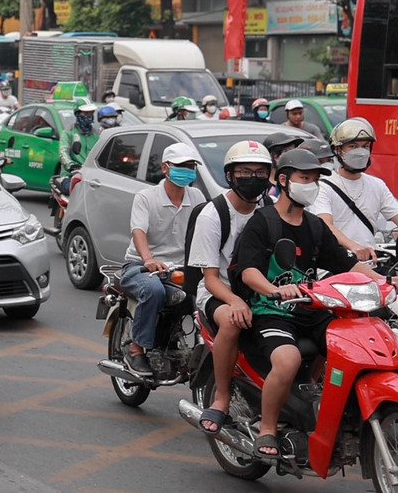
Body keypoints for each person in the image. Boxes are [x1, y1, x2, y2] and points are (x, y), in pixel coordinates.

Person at [231, 148, 390, 458]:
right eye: (305, 178)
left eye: (315, 180)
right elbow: (248, 271)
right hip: (271, 311)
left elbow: (348, 265)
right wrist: (275, 290)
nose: (312, 185)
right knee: (288, 359)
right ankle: (267, 427)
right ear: (283, 180)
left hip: (310, 308)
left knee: (357, 345)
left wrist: (384, 283)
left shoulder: (315, 225)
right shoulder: (263, 222)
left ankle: (319, 402)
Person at [190, 141, 274, 434]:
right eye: (245, 172)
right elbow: (210, 277)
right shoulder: (213, 215)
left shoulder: (270, 210)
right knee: (231, 321)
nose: (253, 178)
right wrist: (235, 302)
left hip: (263, 292)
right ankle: (222, 396)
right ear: (230, 175)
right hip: (219, 292)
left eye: (261, 172)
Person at [119, 143, 206, 376]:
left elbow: (206, 231)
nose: (187, 170)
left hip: (180, 269)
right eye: (182, 166)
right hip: (141, 267)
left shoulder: (197, 196)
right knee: (154, 291)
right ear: (166, 168)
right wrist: (148, 259)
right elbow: (138, 231)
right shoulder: (146, 197)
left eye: (191, 166)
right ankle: (137, 349)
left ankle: (178, 341)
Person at [309, 118, 398, 263]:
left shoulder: (377, 185)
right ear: (338, 150)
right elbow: (325, 224)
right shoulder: (323, 186)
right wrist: (353, 247)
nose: (360, 152)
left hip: (370, 264)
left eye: (365, 146)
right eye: (353, 146)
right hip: (335, 266)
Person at [58, 103, 100, 193]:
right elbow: (63, 152)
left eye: (91, 113)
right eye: (85, 114)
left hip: (91, 176)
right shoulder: (68, 132)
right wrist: (71, 165)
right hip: (71, 176)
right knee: (76, 190)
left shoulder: (97, 134)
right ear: (77, 114)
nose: (89, 116)